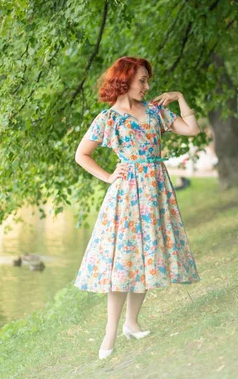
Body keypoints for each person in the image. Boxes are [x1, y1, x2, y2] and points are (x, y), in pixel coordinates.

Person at [74, 56, 201, 360]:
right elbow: (82, 154)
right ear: (125, 80)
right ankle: (109, 333)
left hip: (156, 190)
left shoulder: (156, 111)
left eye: (147, 80)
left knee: (147, 256)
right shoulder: (108, 119)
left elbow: (191, 130)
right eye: (141, 80)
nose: (147, 86)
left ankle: (132, 322)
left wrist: (180, 98)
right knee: (123, 261)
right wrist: (108, 176)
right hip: (127, 194)